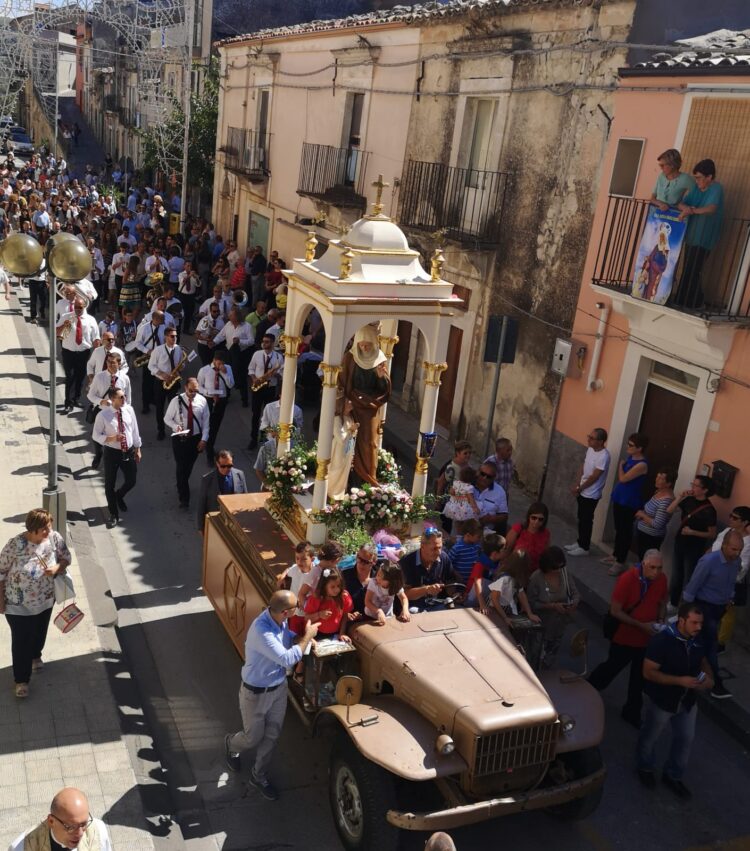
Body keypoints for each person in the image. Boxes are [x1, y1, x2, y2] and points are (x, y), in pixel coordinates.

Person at [223, 590, 319, 800]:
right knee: (252, 738)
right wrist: (308, 637)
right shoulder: (262, 631)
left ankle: (258, 776)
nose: (298, 611)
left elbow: (288, 639)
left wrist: (300, 639)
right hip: (255, 694)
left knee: (272, 735)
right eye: (295, 609)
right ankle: (231, 744)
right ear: (285, 612)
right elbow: (287, 659)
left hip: (278, 689)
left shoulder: (279, 620)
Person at [637, 602, 713, 798]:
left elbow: (703, 661)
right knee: (650, 737)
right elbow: (648, 672)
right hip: (663, 701)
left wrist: (707, 677)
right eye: (694, 622)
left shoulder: (698, 639)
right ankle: (645, 768)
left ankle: (673, 775)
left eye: (700, 623)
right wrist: (680, 681)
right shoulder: (662, 641)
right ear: (681, 621)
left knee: (685, 739)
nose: (698, 627)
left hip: (687, 702)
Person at [588, 550, 667, 727]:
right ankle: (588, 690)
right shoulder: (627, 579)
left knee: (639, 679)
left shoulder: (662, 579)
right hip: (624, 638)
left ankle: (632, 712)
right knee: (611, 668)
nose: (656, 572)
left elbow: (662, 601)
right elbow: (615, 611)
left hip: (646, 640)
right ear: (644, 565)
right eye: (652, 567)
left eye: (659, 568)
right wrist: (641, 626)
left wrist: (660, 621)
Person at [0, 508, 71, 698]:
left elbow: (66, 558)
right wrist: (0, 600)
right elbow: (0, 572)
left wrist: (57, 567)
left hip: (46, 599)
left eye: (49, 527)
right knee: (21, 640)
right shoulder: (15, 545)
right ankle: (21, 680)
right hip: (17, 604)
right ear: (32, 529)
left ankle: (35, 655)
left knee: (39, 632)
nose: (49, 532)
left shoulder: (54, 538)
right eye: (44, 529)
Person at [682, 530, 743, 700]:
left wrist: (729, 597)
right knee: (710, 644)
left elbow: (732, 581)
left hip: (719, 608)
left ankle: (690, 669)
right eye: (733, 549)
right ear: (724, 545)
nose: (736, 553)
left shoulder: (736, 561)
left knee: (699, 642)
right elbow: (693, 584)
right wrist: (687, 609)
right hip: (704, 606)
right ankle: (716, 683)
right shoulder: (709, 561)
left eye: (739, 550)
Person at [339, 325, 392, 485]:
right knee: (347, 441)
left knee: (370, 444)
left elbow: (385, 390)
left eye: (367, 345)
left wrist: (381, 377)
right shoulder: (350, 357)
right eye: (361, 345)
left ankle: (368, 479)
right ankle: (347, 479)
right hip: (352, 405)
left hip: (369, 408)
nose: (364, 348)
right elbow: (342, 380)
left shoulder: (379, 360)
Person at [673, 159, 724, 309]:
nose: (697, 181)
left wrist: (692, 210)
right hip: (691, 235)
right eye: (696, 177)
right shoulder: (695, 188)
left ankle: (695, 301)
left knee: (694, 268)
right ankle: (684, 300)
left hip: (705, 237)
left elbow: (711, 208)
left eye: (700, 177)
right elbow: (681, 203)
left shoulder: (716, 188)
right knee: (688, 266)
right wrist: (686, 208)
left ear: (709, 177)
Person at [93, 387, 142, 528]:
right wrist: (112, 438)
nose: (124, 399)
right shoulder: (103, 415)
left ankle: (119, 495)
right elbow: (95, 435)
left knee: (131, 480)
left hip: (128, 450)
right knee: (109, 483)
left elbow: (134, 429)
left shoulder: (129, 410)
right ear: (112, 399)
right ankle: (113, 514)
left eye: (124, 396)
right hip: (112, 452)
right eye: (121, 397)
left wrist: (138, 448)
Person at [9, 786, 113, 851]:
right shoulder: (22, 847)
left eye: (83, 824)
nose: (80, 833)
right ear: (51, 821)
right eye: (71, 827)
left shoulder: (98, 832)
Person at [667, 474, 717, 607]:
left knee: (690, 577)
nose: (693, 487)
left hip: (694, 548)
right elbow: (669, 510)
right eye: (692, 484)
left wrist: (692, 532)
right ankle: (673, 602)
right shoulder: (688, 500)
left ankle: (686, 606)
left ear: (705, 490)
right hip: (680, 542)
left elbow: (712, 534)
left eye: (696, 485)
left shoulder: (709, 510)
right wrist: (679, 497)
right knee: (676, 574)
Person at [527, 546, 580, 667]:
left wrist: (574, 602)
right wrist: (552, 606)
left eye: (561, 566)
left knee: (550, 657)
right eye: (555, 567)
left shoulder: (564, 573)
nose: (559, 570)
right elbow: (531, 604)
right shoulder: (536, 578)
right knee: (536, 657)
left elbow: (575, 592)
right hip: (541, 626)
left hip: (559, 626)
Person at [607, 432, 649, 576]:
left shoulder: (642, 464)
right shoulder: (631, 458)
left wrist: (620, 466)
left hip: (629, 501)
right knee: (618, 528)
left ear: (640, 448)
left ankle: (621, 561)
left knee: (625, 531)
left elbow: (624, 478)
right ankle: (615, 554)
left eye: (631, 445)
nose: (628, 447)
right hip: (620, 498)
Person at [164, 377, 209, 509]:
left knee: (188, 466)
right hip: (180, 438)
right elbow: (167, 418)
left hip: (195, 439)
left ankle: (181, 483)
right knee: (181, 466)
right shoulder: (176, 400)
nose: (193, 393)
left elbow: (206, 422)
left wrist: (204, 439)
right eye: (191, 390)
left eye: (196, 391)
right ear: (185, 388)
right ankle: (184, 498)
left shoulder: (202, 401)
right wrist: (175, 426)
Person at [565, 427, 611, 556]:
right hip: (582, 489)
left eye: (592, 438)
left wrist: (580, 488)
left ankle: (584, 547)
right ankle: (580, 542)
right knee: (581, 517)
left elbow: (594, 477)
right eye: (589, 437)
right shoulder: (591, 449)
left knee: (586, 519)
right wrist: (577, 483)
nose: (588, 440)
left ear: (601, 441)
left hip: (591, 494)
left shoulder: (604, 456)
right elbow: (583, 467)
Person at [713, 507, 750, 652]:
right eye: (731, 515)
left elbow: (743, 567)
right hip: (713, 575)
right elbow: (714, 547)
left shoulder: (747, 542)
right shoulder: (727, 531)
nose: (730, 519)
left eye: (735, 518)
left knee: (727, 612)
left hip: (729, 581)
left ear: (745, 522)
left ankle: (721, 643)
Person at [87, 352, 131, 470]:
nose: (109, 365)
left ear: (119, 364)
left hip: (117, 414)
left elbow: (128, 399)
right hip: (102, 412)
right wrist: (102, 402)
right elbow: (90, 396)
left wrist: (126, 413)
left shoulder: (124, 379)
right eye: (108, 362)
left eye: (112, 362)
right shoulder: (99, 377)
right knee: (97, 437)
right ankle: (98, 454)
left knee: (117, 437)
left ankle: (117, 459)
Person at [400, 528, 461, 612]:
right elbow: (404, 593)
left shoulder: (444, 557)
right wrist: (426, 590)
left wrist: (455, 594)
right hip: (413, 607)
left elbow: (449, 581)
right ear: (422, 546)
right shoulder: (407, 561)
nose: (439, 552)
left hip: (438, 605)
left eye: (440, 548)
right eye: (434, 549)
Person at [57, 298, 101, 412]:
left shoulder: (91, 319)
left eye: (80, 307)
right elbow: (57, 332)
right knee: (70, 377)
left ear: (84, 306)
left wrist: (98, 353)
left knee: (80, 377)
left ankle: (76, 399)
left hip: (84, 352)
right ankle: (68, 403)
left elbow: (96, 337)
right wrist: (64, 325)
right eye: (76, 307)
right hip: (68, 352)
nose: (77, 309)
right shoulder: (66, 316)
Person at [196, 450, 248, 532]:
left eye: (230, 466)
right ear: (217, 463)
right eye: (223, 466)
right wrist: (201, 528)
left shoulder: (239, 475)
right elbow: (202, 505)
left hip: (235, 521)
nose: (227, 469)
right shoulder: (207, 479)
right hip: (216, 522)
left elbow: (245, 498)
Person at [248, 334, 284, 448]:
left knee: (268, 415)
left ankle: (265, 439)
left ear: (273, 343)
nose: (264, 344)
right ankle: (253, 439)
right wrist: (255, 379)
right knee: (256, 414)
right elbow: (251, 369)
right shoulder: (257, 354)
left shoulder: (278, 357)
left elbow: (282, 374)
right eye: (263, 341)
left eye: (267, 342)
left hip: (270, 388)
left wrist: (276, 374)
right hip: (258, 387)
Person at [197, 350, 234, 462]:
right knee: (208, 424)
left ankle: (209, 445)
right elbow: (198, 386)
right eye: (219, 363)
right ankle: (208, 450)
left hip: (221, 400)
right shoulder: (204, 370)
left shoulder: (228, 368)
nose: (220, 365)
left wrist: (225, 373)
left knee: (215, 426)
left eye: (222, 363)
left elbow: (231, 384)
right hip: (208, 399)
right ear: (214, 360)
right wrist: (209, 393)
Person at [148, 327, 185, 439]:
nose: (175, 338)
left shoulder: (178, 349)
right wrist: (162, 374)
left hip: (174, 382)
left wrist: (181, 368)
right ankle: (161, 430)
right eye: (172, 336)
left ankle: (176, 430)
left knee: (176, 409)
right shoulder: (158, 350)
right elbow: (151, 366)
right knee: (160, 408)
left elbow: (180, 364)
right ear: (166, 337)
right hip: (161, 383)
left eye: (176, 336)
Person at [214, 307, 254, 407]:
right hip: (229, 353)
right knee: (226, 372)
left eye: (231, 315)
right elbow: (221, 335)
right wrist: (213, 342)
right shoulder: (228, 324)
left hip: (241, 354)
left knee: (241, 376)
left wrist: (240, 341)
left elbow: (251, 341)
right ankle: (226, 396)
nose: (229, 316)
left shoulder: (247, 326)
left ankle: (244, 399)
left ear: (237, 316)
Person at [488, 550, 540, 627]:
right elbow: (494, 598)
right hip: (494, 608)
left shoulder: (517, 578)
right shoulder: (504, 579)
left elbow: (521, 594)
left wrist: (529, 613)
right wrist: (505, 617)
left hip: (506, 606)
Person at [304, 565, 354, 641]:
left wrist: (342, 634)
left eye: (338, 586)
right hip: (317, 634)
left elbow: (345, 616)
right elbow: (307, 618)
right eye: (332, 587)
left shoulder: (344, 596)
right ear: (324, 586)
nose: (337, 589)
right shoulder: (316, 598)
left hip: (336, 634)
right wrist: (319, 614)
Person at [634, 468, 676, 558]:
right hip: (643, 532)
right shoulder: (658, 492)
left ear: (669, 483)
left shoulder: (666, 500)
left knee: (647, 562)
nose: (657, 479)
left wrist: (642, 515)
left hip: (651, 537)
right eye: (657, 477)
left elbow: (658, 524)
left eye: (661, 478)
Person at [503, 501, 551, 578]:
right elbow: (506, 551)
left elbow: (546, 555)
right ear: (529, 517)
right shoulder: (518, 529)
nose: (536, 522)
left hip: (533, 575)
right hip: (515, 572)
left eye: (540, 519)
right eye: (534, 518)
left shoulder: (546, 534)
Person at [436, 439, 472, 533]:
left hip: (462, 502)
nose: (468, 455)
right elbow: (441, 483)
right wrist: (438, 501)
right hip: (450, 502)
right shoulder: (451, 468)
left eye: (469, 453)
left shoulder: (467, 465)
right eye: (465, 453)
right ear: (457, 453)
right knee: (448, 527)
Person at [328, 396, 358, 500]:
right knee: (336, 469)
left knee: (344, 471)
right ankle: (332, 492)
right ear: (343, 405)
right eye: (348, 402)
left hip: (348, 448)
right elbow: (340, 437)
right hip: (338, 449)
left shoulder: (350, 417)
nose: (351, 402)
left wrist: (353, 431)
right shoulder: (337, 419)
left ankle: (340, 492)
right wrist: (350, 429)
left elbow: (352, 434)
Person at [466, 533, 504, 613]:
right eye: (504, 549)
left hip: (486, 595)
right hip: (473, 598)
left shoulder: (497, 562)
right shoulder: (480, 564)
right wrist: (482, 604)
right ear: (494, 554)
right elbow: (477, 584)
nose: (506, 551)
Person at [342, 543, 378, 617]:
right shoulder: (344, 575)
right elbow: (334, 600)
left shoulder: (378, 578)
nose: (361, 564)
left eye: (366, 562)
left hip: (372, 620)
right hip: (349, 622)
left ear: (374, 562)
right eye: (360, 559)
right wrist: (346, 614)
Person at [474, 460, 508, 536]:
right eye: (482, 474)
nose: (484, 478)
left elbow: (504, 516)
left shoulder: (500, 491)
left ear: (494, 478)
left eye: (488, 476)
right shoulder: (468, 484)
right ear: (478, 472)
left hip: (485, 533)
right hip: (463, 529)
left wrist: (490, 519)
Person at [447, 518, 482, 583]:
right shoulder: (457, 548)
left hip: (472, 582)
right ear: (468, 535)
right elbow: (447, 563)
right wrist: (456, 574)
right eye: (478, 537)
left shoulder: (477, 545)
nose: (480, 539)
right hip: (460, 582)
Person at [484, 437, 514, 502]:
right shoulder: (490, 462)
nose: (510, 452)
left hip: (504, 496)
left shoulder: (510, 462)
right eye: (508, 450)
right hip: (491, 497)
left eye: (511, 450)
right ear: (499, 451)